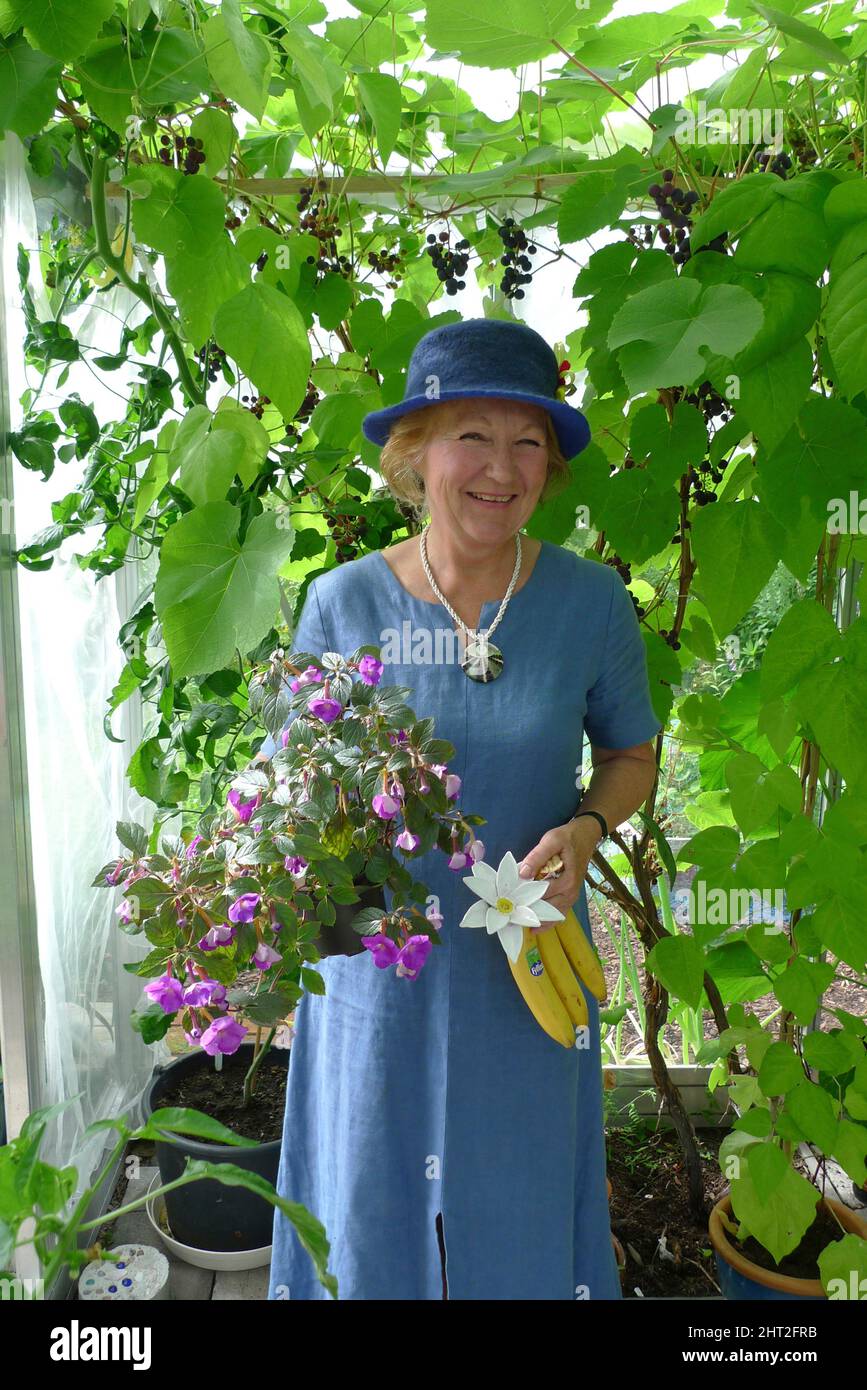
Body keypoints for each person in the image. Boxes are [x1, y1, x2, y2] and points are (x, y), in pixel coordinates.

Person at [265, 317, 661, 1301]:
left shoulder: (590, 604)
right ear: (416, 454)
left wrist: (587, 826)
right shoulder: (343, 605)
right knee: (369, 1205)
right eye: (470, 436)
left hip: (525, 968)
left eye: (527, 440)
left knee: (521, 1205)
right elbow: (292, 792)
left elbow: (632, 755)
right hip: (374, 970)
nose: (501, 467)